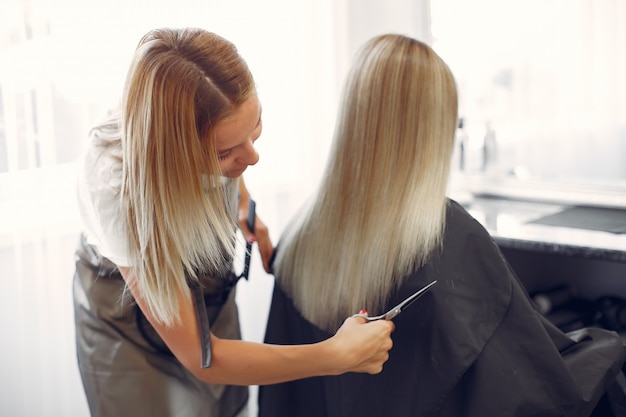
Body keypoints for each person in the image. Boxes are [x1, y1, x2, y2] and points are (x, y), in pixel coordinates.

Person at [257, 34, 625, 417]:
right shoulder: (446, 236)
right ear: (433, 130)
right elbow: (536, 389)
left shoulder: (299, 235)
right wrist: (606, 349)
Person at [72, 27, 394, 417]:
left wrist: (243, 205)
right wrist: (333, 356)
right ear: (174, 154)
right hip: (126, 320)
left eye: (255, 127)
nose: (252, 157)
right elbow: (203, 358)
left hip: (203, 289)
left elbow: (228, 146)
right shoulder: (116, 185)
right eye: (227, 153)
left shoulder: (209, 121)